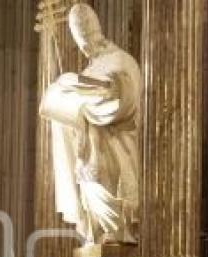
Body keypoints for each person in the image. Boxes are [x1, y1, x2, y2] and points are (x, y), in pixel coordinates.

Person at [40, 2, 141, 244]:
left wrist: (85, 99)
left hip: (115, 148)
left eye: (86, 43)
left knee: (108, 187)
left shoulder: (121, 60)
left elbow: (125, 100)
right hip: (90, 151)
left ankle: (118, 232)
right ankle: (101, 234)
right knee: (91, 185)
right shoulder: (92, 67)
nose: (85, 49)